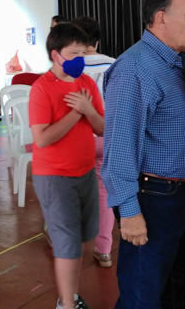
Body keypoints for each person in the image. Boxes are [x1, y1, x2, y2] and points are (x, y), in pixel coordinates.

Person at [101, 0, 185, 308]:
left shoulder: (181, 61)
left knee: (180, 279)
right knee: (143, 294)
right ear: (161, 17)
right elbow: (120, 147)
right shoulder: (135, 69)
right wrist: (130, 212)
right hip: (154, 199)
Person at [30, 22, 104, 309]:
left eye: (83, 53)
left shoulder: (86, 84)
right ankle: (67, 304)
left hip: (85, 173)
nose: (80, 60)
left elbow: (102, 128)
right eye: (74, 53)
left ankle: (71, 295)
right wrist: (76, 114)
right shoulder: (42, 89)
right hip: (55, 178)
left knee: (85, 242)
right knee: (67, 246)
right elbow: (42, 139)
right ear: (55, 55)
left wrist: (88, 110)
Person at [72, 16, 116, 268]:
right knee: (103, 192)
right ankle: (104, 250)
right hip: (106, 137)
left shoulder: (68, 67)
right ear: (97, 41)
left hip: (75, 139)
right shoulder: (115, 65)